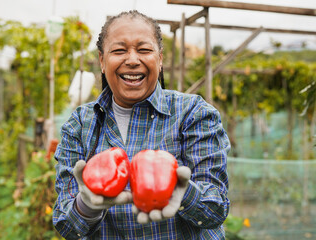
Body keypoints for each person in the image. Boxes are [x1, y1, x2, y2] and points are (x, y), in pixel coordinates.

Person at [53, 10, 231, 240]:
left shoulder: (194, 113)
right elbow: (66, 225)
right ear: (102, 60)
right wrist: (85, 205)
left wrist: (184, 192)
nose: (133, 60)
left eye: (144, 50)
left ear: (160, 59)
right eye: (119, 50)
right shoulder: (78, 125)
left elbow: (216, 209)